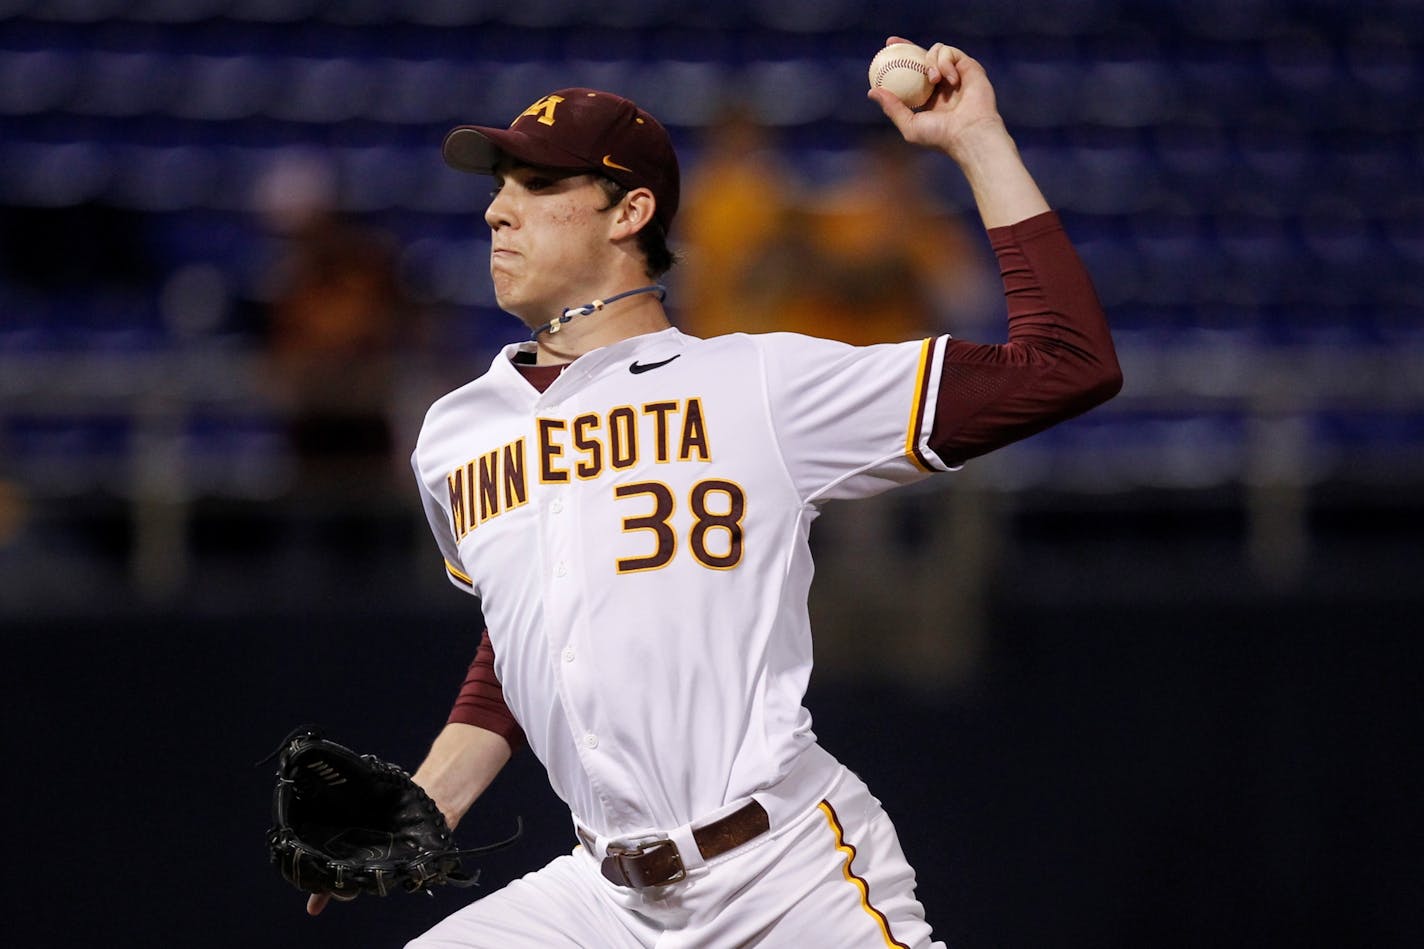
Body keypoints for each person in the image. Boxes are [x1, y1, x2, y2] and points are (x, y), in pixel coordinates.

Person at [309, 39, 1123, 947]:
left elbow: (1067, 364)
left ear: (632, 211)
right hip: (599, 899)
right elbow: (528, 630)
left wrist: (976, 139)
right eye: (499, 184)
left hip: (781, 876)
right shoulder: (456, 434)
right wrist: (431, 796)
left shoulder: (756, 386)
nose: (498, 209)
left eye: (537, 185)